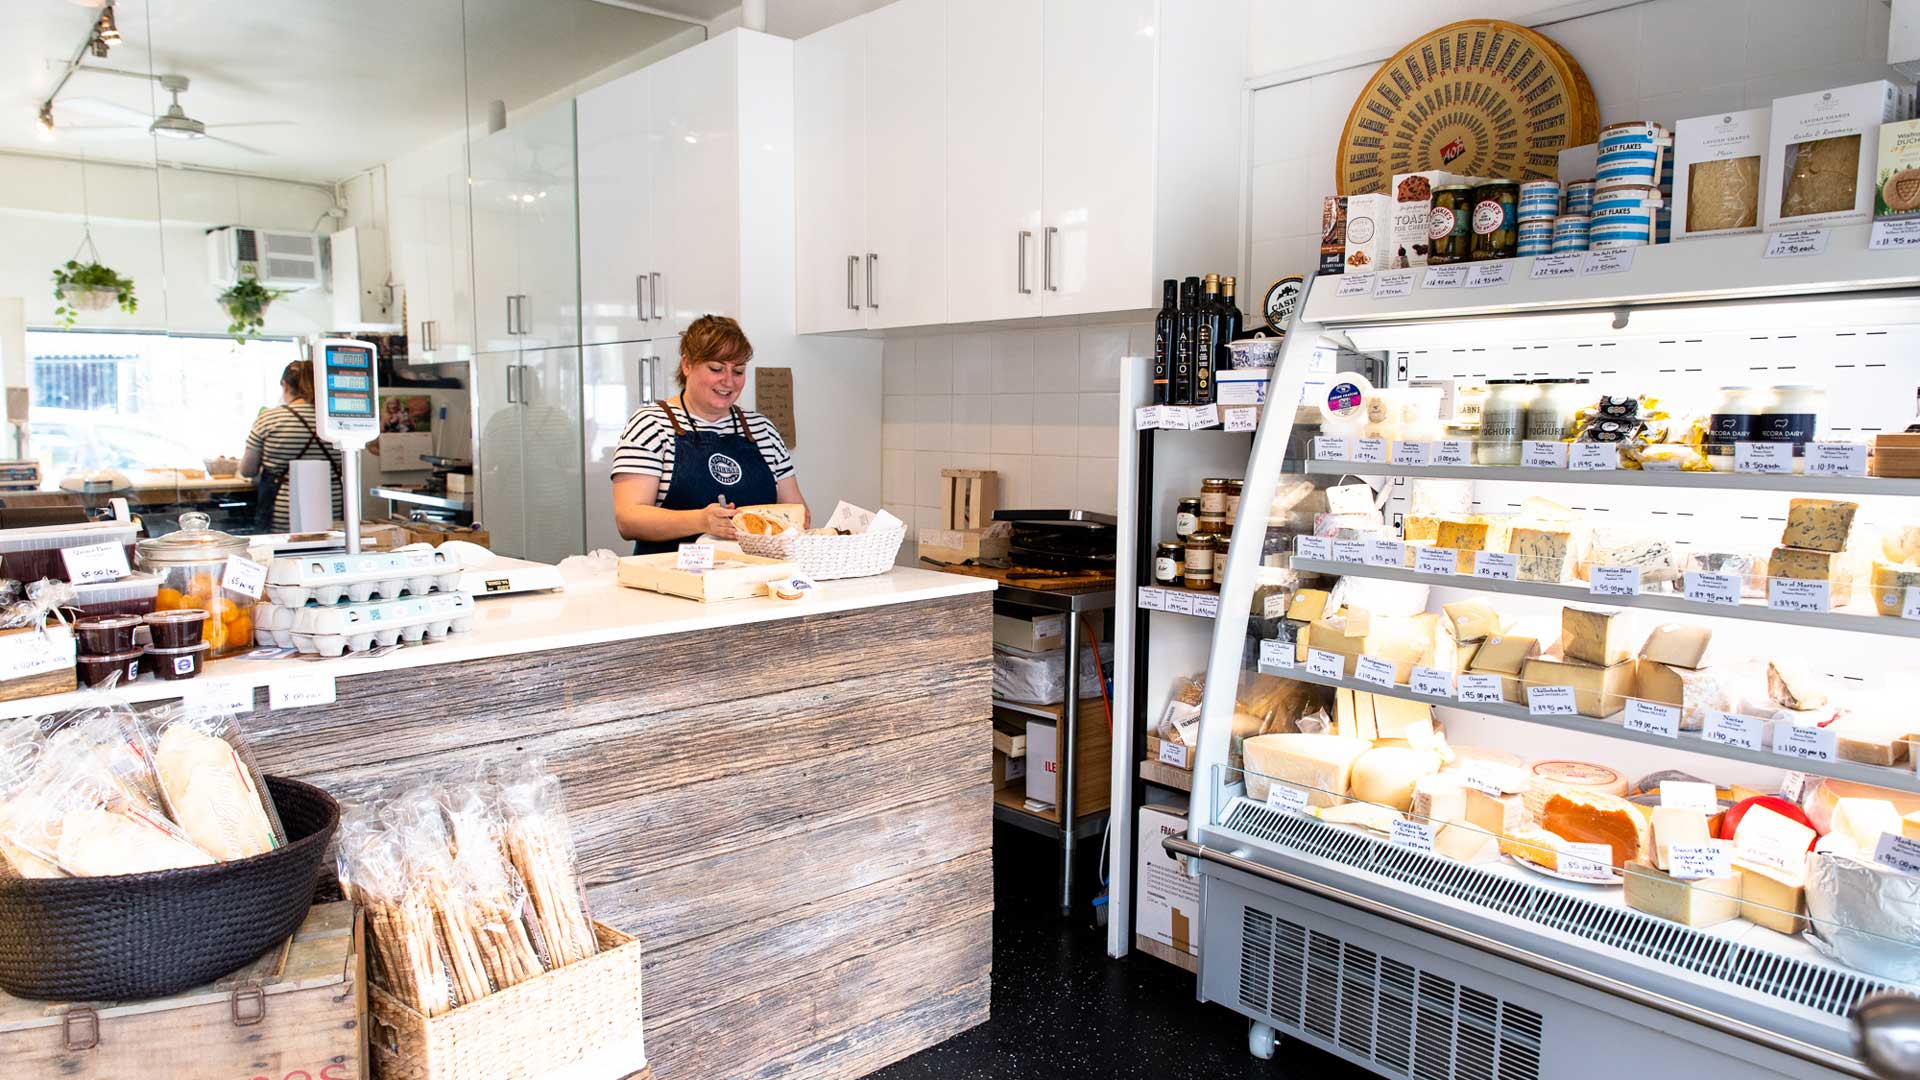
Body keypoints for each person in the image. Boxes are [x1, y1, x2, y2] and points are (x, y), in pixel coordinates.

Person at [611, 315, 806, 553]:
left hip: (753, 577)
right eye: (716, 368)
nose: (728, 381)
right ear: (687, 365)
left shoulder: (761, 430)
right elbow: (628, 519)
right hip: (672, 580)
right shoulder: (652, 425)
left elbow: (796, 511)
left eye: (738, 371)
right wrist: (701, 521)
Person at [240, 360, 343, 533]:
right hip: (332, 507)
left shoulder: (270, 419)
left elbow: (247, 470)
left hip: (284, 511)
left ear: (285, 385)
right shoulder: (335, 420)